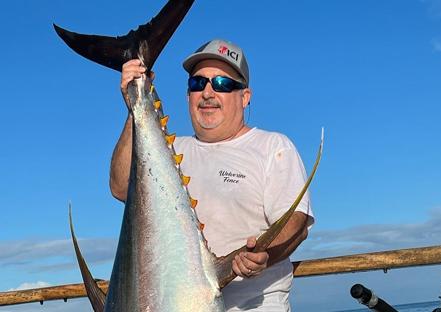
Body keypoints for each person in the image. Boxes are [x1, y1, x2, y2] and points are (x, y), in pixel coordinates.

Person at [110, 39, 314, 312]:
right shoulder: (172, 152)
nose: (207, 92)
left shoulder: (272, 147)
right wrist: (136, 105)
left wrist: (264, 254)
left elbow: (295, 223)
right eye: (197, 84)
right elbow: (121, 186)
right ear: (188, 96)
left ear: (245, 96)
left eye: (222, 84)